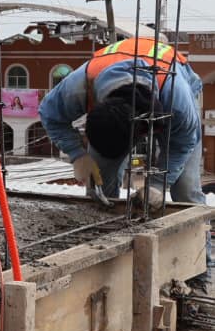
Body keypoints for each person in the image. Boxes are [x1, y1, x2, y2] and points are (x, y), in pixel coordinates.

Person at [37, 36, 204, 206]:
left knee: (185, 188)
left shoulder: (178, 102)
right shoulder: (79, 88)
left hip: (172, 91)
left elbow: (182, 144)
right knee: (99, 184)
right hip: (120, 103)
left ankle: (201, 229)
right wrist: (77, 154)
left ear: (141, 132)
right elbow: (49, 115)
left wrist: (158, 185)